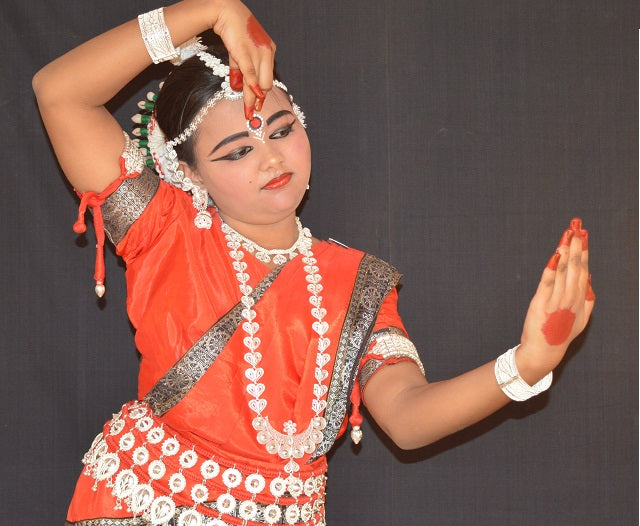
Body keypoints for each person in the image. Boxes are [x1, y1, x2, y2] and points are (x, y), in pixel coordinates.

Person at [32, 1, 595, 524]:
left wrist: (525, 365)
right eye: (238, 151)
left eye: (282, 130)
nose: (272, 157)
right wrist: (209, 10)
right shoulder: (164, 229)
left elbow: (406, 415)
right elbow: (59, 92)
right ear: (191, 173)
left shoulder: (357, 280)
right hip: (147, 504)